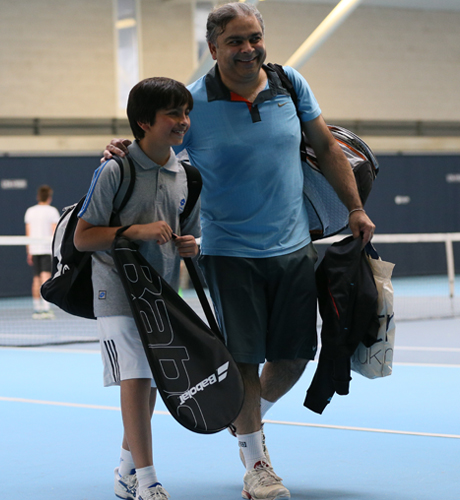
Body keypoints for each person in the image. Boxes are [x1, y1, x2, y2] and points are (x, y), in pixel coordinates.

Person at [103, 3, 375, 499]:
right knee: (244, 361)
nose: (248, 49)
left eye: (254, 38)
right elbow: (157, 148)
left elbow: (328, 147)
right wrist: (127, 147)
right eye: (235, 41)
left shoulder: (291, 84)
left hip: (294, 250)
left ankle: (246, 417)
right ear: (213, 48)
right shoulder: (193, 103)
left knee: (293, 358)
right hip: (228, 254)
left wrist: (354, 209)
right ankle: (257, 465)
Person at [74, 77, 200, 500]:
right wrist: (136, 231)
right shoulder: (115, 168)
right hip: (116, 292)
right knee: (135, 378)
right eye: (173, 114)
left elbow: (190, 236)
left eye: (186, 113)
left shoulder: (185, 176)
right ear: (144, 122)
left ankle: (126, 470)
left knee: (148, 386)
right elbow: (83, 237)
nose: (183, 121)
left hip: (162, 296)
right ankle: (148, 481)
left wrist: (189, 245)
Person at [24, 184, 60, 319]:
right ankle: (45, 308)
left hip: (34, 248)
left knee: (36, 279)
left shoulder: (30, 211)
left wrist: (29, 251)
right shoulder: (52, 211)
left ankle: (37, 308)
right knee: (45, 278)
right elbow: (55, 231)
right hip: (46, 248)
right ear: (49, 197)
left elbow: (28, 233)